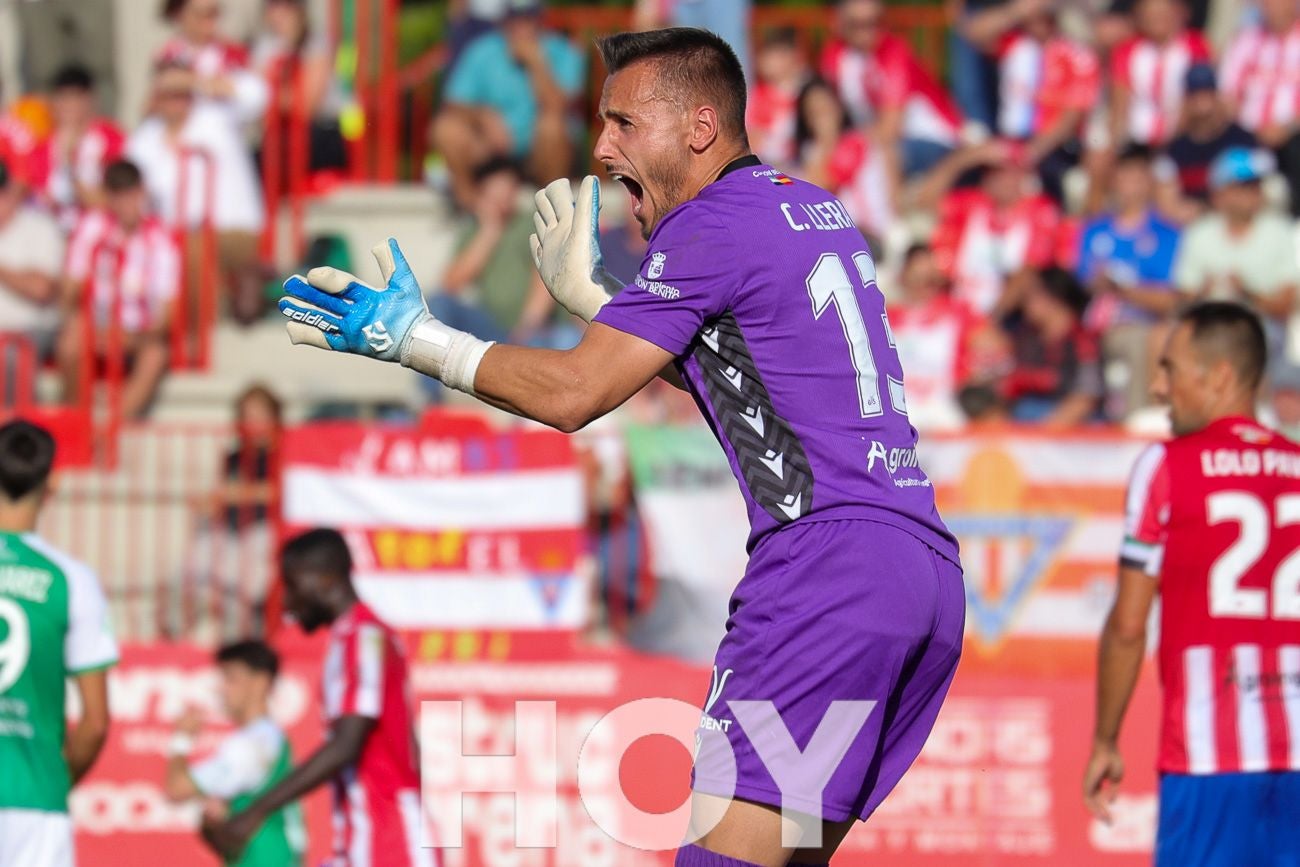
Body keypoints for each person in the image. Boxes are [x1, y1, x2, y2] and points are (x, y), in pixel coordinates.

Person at [278, 27, 964, 867]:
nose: (602, 148)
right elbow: (752, 373)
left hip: (825, 569)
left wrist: (414, 340)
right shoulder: (811, 206)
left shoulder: (710, 222)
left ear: (701, 128)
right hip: (921, 572)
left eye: (624, 123)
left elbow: (576, 395)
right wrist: (604, 299)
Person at [1084, 301, 1300, 867]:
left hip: (1209, 757)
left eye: (1170, 369)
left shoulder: (1166, 466)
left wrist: (1105, 740)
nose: (1158, 388)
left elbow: (1128, 626)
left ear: (1220, 376)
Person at [201, 529, 434, 867]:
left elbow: (346, 744)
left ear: (324, 580)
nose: (286, 603)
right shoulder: (350, 637)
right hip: (366, 841)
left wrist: (256, 811)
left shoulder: (362, 636)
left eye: (292, 586)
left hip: (390, 846)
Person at [0, 419, 118, 867]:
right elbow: (95, 723)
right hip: (36, 799)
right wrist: (53, 780)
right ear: (51, 484)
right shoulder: (72, 580)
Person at [127, 61, 266, 325]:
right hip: (171, 238)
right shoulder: (145, 138)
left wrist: (193, 81)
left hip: (234, 231)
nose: (175, 101)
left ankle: (202, 331)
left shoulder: (216, 116)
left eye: (181, 93)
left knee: (192, 248)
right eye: (168, 93)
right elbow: (133, 194)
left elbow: (257, 95)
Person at [163, 640, 305, 867]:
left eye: (230, 678)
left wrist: (181, 739)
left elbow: (176, 789)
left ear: (260, 682)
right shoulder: (272, 738)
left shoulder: (250, 745)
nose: (221, 689)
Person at [432, 0, 585, 207]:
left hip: (538, 152)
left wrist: (537, 64)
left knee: (552, 126)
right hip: (492, 149)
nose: (521, 27)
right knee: (446, 129)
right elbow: (453, 102)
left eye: (527, 19)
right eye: (515, 20)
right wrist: (483, 116)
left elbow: (559, 106)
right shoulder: (482, 50)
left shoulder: (563, 51)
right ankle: (469, 204)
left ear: (539, 20)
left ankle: (555, 205)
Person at [57, 159, 178, 420]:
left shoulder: (159, 238)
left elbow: (167, 313)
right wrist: (89, 323)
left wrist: (131, 337)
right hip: (96, 327)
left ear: (142, 193)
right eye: (118, 196)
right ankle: (77, 420)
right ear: (108, 197)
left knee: (155, 354)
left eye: (130, 195)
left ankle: (113, 427)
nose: (125, 204)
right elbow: (69, 290)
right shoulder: (92, 228)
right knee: (71, 339)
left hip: (138, 334)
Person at [819, 0, 963, 201]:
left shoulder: (894, 52)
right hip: (878, 138)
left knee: (875, 154)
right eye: (857, 24)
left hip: (930, 139)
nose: (867, 32)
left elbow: (890, 128)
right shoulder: (835, 54)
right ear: (838, 22)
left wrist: (847, 145)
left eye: (874, 23)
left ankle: (889, 216)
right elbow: (827, 113)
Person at [1076, 145, 1182, 418]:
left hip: (1145, 324)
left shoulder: (1167, 234)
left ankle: (1140, 420)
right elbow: (1081, 283)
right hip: (1098, 327)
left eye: (1138, 176)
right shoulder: (1094, 230)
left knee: (1151, 339)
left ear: (1150, 181)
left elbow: (1169, 298)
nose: (1131, 184)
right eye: (1124, 175)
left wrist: (1122, 290)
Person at [964, 0, 1101, 205]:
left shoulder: (1077, 55)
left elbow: (1071, 118)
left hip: (1054, 146)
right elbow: (974, 33)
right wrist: (1017, 10)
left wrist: (1029, 153)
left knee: (1045, 181)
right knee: (972, 174)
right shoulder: (1014, 46)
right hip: (1011, 139)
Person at [1174, 147, 1299, 349]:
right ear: (1219, 194)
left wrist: (1247, 293)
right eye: (1244, 186)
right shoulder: (1199, 233)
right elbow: (1182, 300)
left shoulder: (1280, 231)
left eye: (1256, 185)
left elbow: (1286, 305)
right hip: (1208, 328)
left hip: (1263, 331)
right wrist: (1205, 293)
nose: (1254, 192)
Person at [886, 243, 983, 430]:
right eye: (918, 277)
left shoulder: (958, 313)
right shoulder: (885, 317)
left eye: (930, 279)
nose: (923, 284)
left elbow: (992, 348)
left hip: (944, 407)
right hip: (898, 410)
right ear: (903, 276)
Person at [1219, 0, 1300, 215]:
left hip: (1294, 134)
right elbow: (1228, 92)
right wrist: (1252, 129)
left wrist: (1288, 127)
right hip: (1249, 135)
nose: (1273, 7)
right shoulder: (1246, 40)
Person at [251, 0, 347, 179]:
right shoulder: (265, 46)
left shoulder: (317, 44)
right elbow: (255, 100)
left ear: (299, 11)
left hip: (319, 135)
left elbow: (307, 105)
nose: (278, 14)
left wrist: (270, 98)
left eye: (285, 7)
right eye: (273, 6)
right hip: (280, 138)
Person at [790, 78, 893, 241]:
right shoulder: (809, 153)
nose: (822, 118)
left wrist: (827, 142)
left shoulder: (856, 142)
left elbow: (824, 183)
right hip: (839, 236)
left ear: (838, 108)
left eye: (826, 109)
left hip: (872, 233)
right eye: (814, 113)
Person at [28, 64, 125, 232]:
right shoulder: (40, 147)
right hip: (51, 231)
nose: (69, 106)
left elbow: (116, 199)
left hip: (99, 232)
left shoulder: (111, 139)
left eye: (75, 98)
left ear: (90, 99)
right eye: (63, 98)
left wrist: (70, 162)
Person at [1002, 266, 1104, 426]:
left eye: (1032, 295)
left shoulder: (1083, 340)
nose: (1025, 302)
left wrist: (1043, 433)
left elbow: (1086, 397)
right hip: (1024, 420)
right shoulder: (1025, 339)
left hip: (1070, 426)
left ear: (1055, 297)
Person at [1155, 63, 1257, 224]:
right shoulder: (1176, 149)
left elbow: (1251, 193)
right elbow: (1167, 198)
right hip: (1192, 226)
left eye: (1207, 94)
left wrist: (1205, 209)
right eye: (1195, 96)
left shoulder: (1241, 139)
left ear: (1217, 96)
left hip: (1237, 221)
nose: (1202, 103)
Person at [1108, 0, 1211, 148]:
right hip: (1137, 137)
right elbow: (1120, 101)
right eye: (1150, 14)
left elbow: (1198, 96)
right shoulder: (1127, 50)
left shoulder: (1195, 45)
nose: (1156, 20)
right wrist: (1117, 142)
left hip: (1182, 135)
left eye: (1162, 14)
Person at [156, 0, 269, 126]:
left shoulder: (232, 52)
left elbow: (253, 98)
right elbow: (157, 106)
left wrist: (192, 82)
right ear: (180, 15)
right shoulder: (169, 55)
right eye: (202, 14)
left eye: (214, 13)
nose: (210, 22)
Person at [0, 160, 66, 359]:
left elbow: (42, 289)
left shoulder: (41, 227)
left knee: (9, 355)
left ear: (8, 193)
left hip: (28, 332)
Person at [746, 28, 808, 170]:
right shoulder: (755, 95)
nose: (760, 60)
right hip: (765, 167)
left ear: (790, 56)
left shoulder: (806, 93)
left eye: (768, 54)